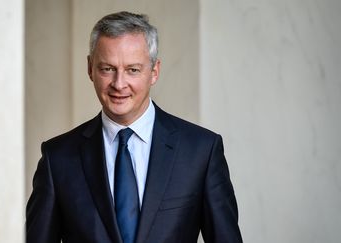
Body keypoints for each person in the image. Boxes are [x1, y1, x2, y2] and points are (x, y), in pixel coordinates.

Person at [26, 11, 242, 243]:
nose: (119, 84)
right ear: (90, 68)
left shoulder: (201, 151)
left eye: (133, 70)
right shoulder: (57, 158)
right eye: (107, 68)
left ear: (154, 72)